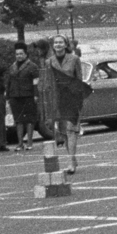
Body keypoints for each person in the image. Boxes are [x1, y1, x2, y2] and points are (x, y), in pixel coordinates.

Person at [41, 34, 87, 174]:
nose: (58, 45)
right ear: (53, 45)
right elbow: (48, 82)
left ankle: (70, 161)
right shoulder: (49, 62)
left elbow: (79, 79)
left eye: (61, 42)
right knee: (64, 133)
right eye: (56, 43)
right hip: (57, 99)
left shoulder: (74, 59)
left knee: (71, 130)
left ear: (66, 45)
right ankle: (72, 159)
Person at [4, 43, 39, 152]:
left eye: (21, 54)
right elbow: (8, 82)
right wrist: (8, 95)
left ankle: (29, 142)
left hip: (28, 96)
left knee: (29, 120)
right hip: (15, 96)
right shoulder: (12, 67)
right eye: (17, 54)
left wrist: (36, 95)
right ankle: (20, 143)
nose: (19, 56)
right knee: (18, 120)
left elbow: (36, 83)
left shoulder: (32, 66)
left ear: (26, 54)